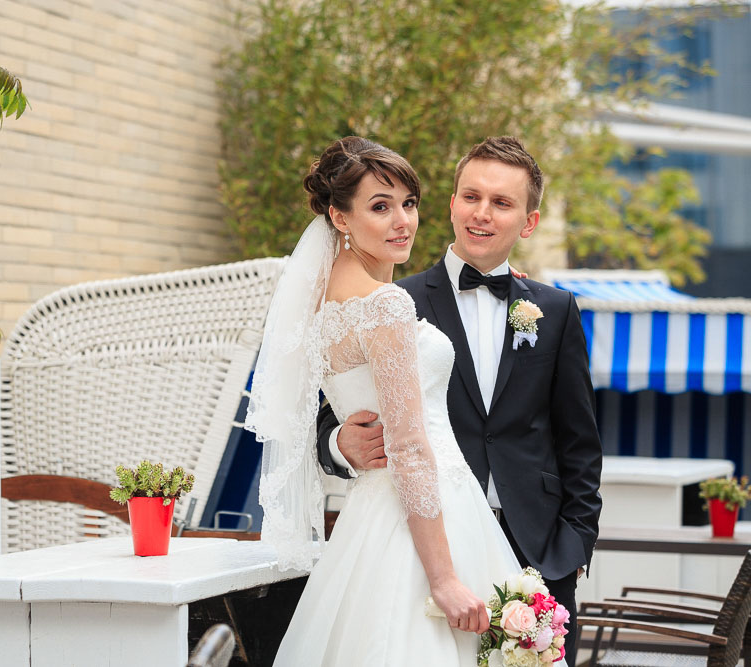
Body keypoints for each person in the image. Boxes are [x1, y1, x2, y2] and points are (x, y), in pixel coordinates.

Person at [246, 137, 552, 666]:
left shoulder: (320, 303)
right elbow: (409, 446)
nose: (402, 221)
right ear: (340, 217)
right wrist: (444, 580)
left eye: (408, 204)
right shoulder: (386, 304)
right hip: (429, 520)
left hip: (373, 521)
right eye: (380, 207)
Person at [315, 136, 603, 666]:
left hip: (538, 552)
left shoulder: (557, 310)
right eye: (470, 197)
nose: (482, 214)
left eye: (502, 203)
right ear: (451, 204)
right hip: (421, 539)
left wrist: (575, 545)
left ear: (529, 221)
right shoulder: (396, 298)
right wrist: (339, 444)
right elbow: (332, 408)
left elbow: (579, 439)